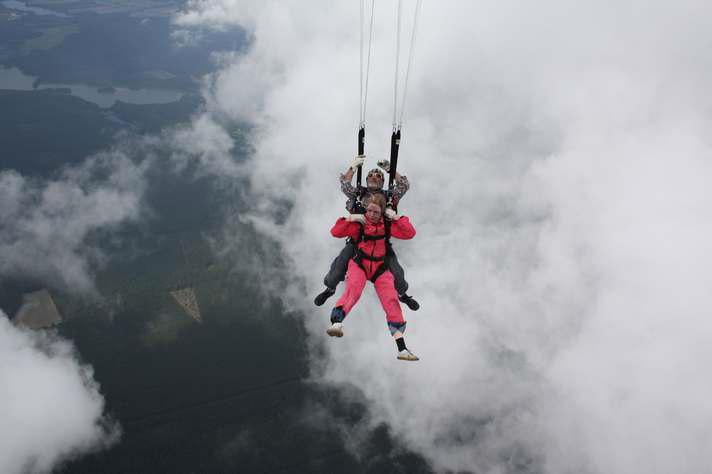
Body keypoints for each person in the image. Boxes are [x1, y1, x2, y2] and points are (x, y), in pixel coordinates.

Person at [313, 155, 419, 311]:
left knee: (397, 273)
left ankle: (402, 295)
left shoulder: (390, 196)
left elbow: (404, 185)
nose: (374, 177)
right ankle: (330, 289)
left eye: (378, 176)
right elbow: (345, 185)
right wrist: (352, 168)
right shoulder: (358, 194)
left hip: (380, 242)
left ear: (383, 182)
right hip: (358, 240)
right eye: (371, 175)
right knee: (338, 268)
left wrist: (390, 169)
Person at [326, 193, 419, 361]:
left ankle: (402, 349)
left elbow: (410, 233)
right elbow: (335, 232)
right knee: (354, 290)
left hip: (379, 267)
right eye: (369, 211)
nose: (371, 214)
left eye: (376, 212)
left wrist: (396, 218)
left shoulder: (388, 225)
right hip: (360, 264)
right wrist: (350, 219)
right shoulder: (360, 225)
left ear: (382, 212)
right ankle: (336, 323)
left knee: (391, 300)